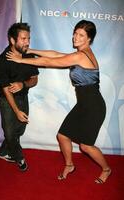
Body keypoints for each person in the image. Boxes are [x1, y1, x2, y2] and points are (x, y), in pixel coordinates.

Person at [6, 20, 111, 183]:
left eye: (81, 35)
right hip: (83, 105)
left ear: (89, 39)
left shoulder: (81, 55)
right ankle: (69, 165)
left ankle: (107, 169)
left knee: (85, 146)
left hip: (94, 107)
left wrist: (21, 59)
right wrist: (29, 50)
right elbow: (54, 54)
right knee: (62, 136)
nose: (75, 37)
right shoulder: (79, 53)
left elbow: (49, 62)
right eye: (75, 33)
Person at [0, 23, 39, 171]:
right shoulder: (1, 62)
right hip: (7, 101)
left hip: (23, 97)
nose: (27, 42)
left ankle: (2, 152)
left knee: (20, 130)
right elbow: (6, 90)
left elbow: (34, 79)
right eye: (23, 39)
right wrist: (16, 111)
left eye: (28, 38)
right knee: (10, 132)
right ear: (12, 40)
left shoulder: (29, 55)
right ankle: (19, 158)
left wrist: (23, 85)